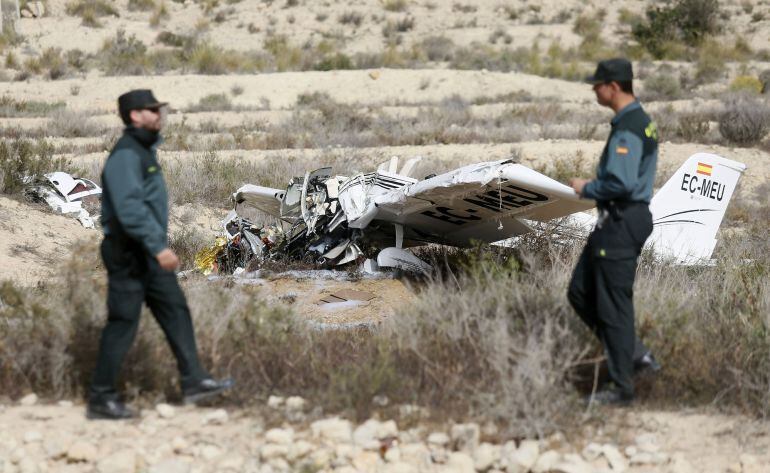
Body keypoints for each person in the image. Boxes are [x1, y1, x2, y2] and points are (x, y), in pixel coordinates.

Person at [88, 89, 233, 419]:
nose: (159, 114)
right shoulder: (127, 154)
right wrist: (157, 247)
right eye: (152, 110)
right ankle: (101, 398)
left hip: (146, 252)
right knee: (123, 322)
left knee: (175, 310)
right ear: (135, 115)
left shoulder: (143, 151)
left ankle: (194, 381)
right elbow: (128, 209)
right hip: (129, 251)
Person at [567, 58, 661, 406]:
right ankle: (633, 354)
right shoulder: (636, 121)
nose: (594, 89)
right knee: (580, 291)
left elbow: (620, 182)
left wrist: (587, 187)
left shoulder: (629, 127)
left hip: (622, 221)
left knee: (613, 309)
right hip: (616, 222)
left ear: (614, 87)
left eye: (598, 84)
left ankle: (623, 388)